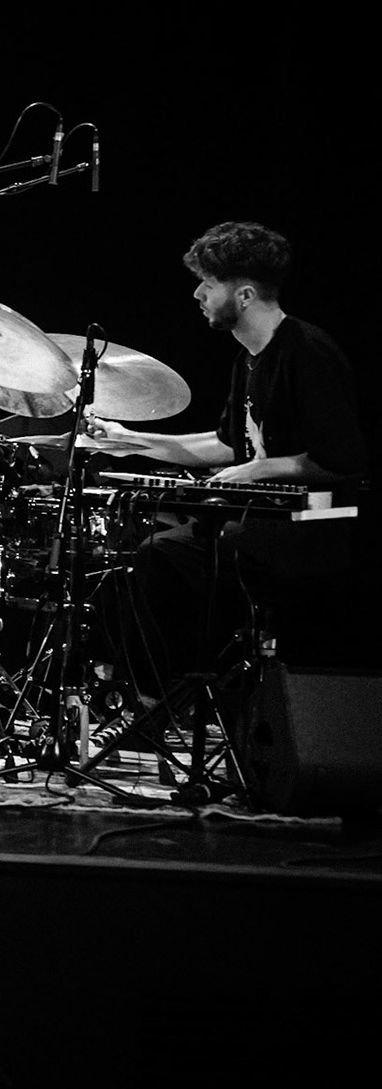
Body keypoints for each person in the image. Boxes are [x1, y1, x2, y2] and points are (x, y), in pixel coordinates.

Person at [78, 221, 367, 722]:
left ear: (246, 294)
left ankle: (166, 705)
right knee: (142, 554)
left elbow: (342, 458)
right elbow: (226, 445)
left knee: (162, 557)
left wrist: (259, 469)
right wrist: (132, 441)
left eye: (208, 284)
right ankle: (156, 701)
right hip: (261, 527)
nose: (197, 294)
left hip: (310, 537)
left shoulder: (307, 352)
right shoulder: (248, 361)